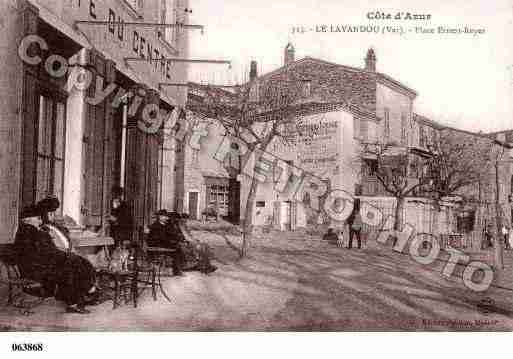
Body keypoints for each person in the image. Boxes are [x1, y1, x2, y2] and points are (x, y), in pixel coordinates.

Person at [14, 197, 98, 314]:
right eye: (37, 218)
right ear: (28, 220)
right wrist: (65, 257)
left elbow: (47, 252)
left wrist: (65, 257)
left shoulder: (30, 231)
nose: (40, 220)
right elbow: (45, 253)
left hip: (40, 265)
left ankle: (82, 296)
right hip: (36, 270)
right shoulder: (31, 232)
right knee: (73, 267)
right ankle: (78, 299)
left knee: (75, 264)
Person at [147, 210, 186, 276]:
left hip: (163, 244)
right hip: (156, 244)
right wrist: (171, 241)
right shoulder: (155, 226)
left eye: (166, 216)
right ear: (159, 217)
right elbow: (159, 238)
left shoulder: (166, 225)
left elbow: (171, 234)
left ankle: (178, 269)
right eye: (164, 216)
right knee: (177, 250)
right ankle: (177, 270)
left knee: (178, 248)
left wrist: (178, 239)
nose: (166, 218)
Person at [108, 186, 134, 250]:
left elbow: (128, 220)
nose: (116, 196)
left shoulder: (125, 206)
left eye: (118, 194)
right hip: (109, 231)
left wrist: (116, 219)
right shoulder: (108, 204)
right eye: (114, 194)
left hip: (121, 232)